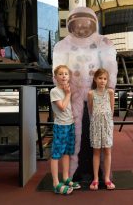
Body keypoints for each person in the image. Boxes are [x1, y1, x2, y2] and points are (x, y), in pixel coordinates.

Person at [52, 7, 117, 179]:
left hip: (97, 91)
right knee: (75, 132)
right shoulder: (63, 45)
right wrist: (63, 89)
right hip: (73, 93)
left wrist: (109, 87)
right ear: (70, 25)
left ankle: (104, 173)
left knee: (101, 133)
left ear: (93, 24)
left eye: (85, 25)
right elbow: (57, 69)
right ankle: (71, 173)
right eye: (77, 25)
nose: (81, 28)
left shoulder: (103, 42)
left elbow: (110, 65)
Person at [50, 65, 81, 194]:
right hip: (61, 126)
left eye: (66, 74)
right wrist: (68, 93)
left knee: (67, 153)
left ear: (69, 77)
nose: (63, 76)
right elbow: (62, 107)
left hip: (70, 124)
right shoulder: (55, 91)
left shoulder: (67, 89)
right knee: (56, 154)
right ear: (56, 77)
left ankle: (66, 178)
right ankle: (56, 183)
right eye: (61, 74)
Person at [88, 68, 115, 191]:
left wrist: (107, 122)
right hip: (95, 125)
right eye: (100, 78)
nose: (102, 81)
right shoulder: (91, 93)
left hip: (107, 125)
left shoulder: (110, 92)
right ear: (95, 79)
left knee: (108, 151)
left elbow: (112, 109)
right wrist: (96, 120)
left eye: (105, 78)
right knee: (96, 152)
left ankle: (107, 178)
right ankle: (95, 179)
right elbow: (91, 109)